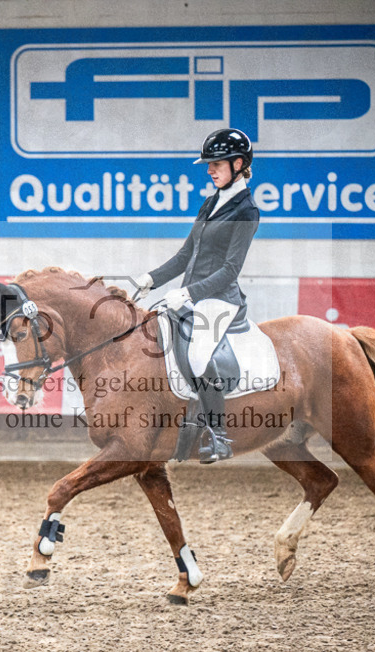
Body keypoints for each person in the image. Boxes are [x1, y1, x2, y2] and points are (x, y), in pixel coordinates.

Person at [132, 128, 260, 463]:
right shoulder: (210, 202)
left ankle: (219, 436)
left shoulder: (247, 211)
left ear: (238, 163)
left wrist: (188, 293)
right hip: (190, 296)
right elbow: (184, 256)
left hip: (221, 299)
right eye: (209, 164)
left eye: (216, 163)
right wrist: (152, 279)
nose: (209, 170)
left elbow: (230, 270)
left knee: (201, 357)